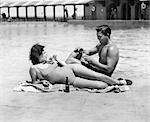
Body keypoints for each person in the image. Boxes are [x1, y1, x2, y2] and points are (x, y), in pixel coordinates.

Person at [29, 44, 131, 90]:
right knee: (101, 85)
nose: (46, 54)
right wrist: (42, 81)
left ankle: (119, 82)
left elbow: (64, 65)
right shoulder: (34, 69)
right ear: (37, 55)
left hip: (72, 68)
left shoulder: (50, 61)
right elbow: (35, 82)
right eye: (44, 53)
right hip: (72, 80)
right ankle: (113, 83)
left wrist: (56, 60)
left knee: (97, 76)